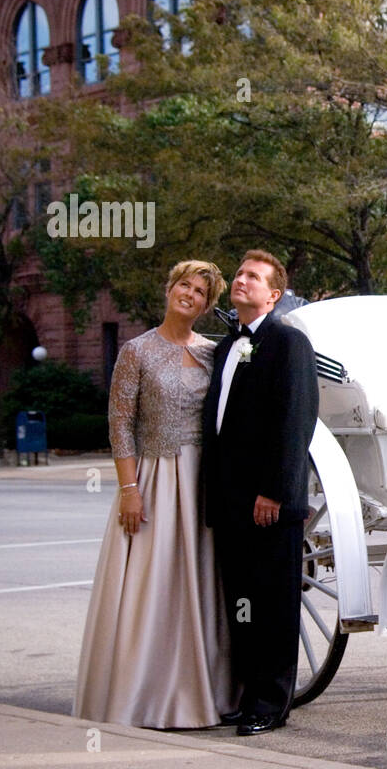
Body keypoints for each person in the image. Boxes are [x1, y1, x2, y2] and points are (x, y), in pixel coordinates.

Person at [74, 260, 236, 729]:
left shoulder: (213, 354)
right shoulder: (136, 351)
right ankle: (139, 694)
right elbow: (120, 424)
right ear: (169, 289)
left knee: (199, 582)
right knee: (154, 584)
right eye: (184, 284)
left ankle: (205, 691)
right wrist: (128, 489)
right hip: (154, 479)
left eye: (200, 291)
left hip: (202, 482)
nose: (189, 293)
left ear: (208, 305)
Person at [202, 250, 317, 736]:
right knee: (241, 605)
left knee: (271, 604)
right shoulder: (228, 346)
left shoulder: (288, 342)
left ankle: (271, 704)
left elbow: (294, 422)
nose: (240, 280)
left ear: (273, 294)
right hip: (229, 500)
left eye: (253, 276)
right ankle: (248, 695)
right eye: (239, 274)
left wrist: (274, 491)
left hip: (268, 503)